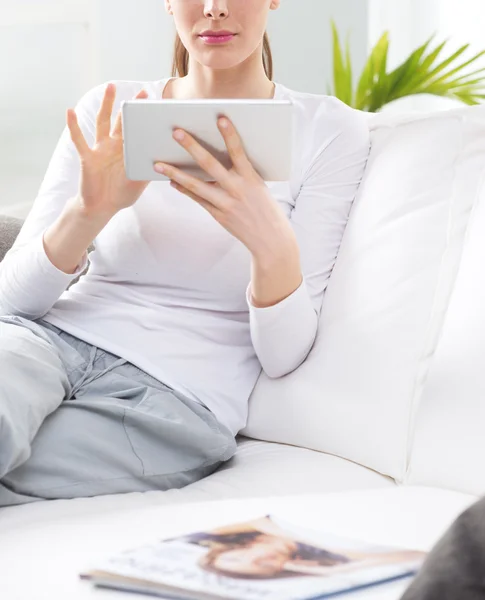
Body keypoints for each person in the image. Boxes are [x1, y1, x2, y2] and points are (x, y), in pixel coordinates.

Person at [0, 0, 371, 506]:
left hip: (176, 398)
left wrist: (270, 244)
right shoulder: (110, 109)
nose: (215, 9)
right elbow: (11, 302)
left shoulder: (328, 131)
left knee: (14, 483)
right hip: (45, 341)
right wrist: (89, 212)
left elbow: (283, 357)